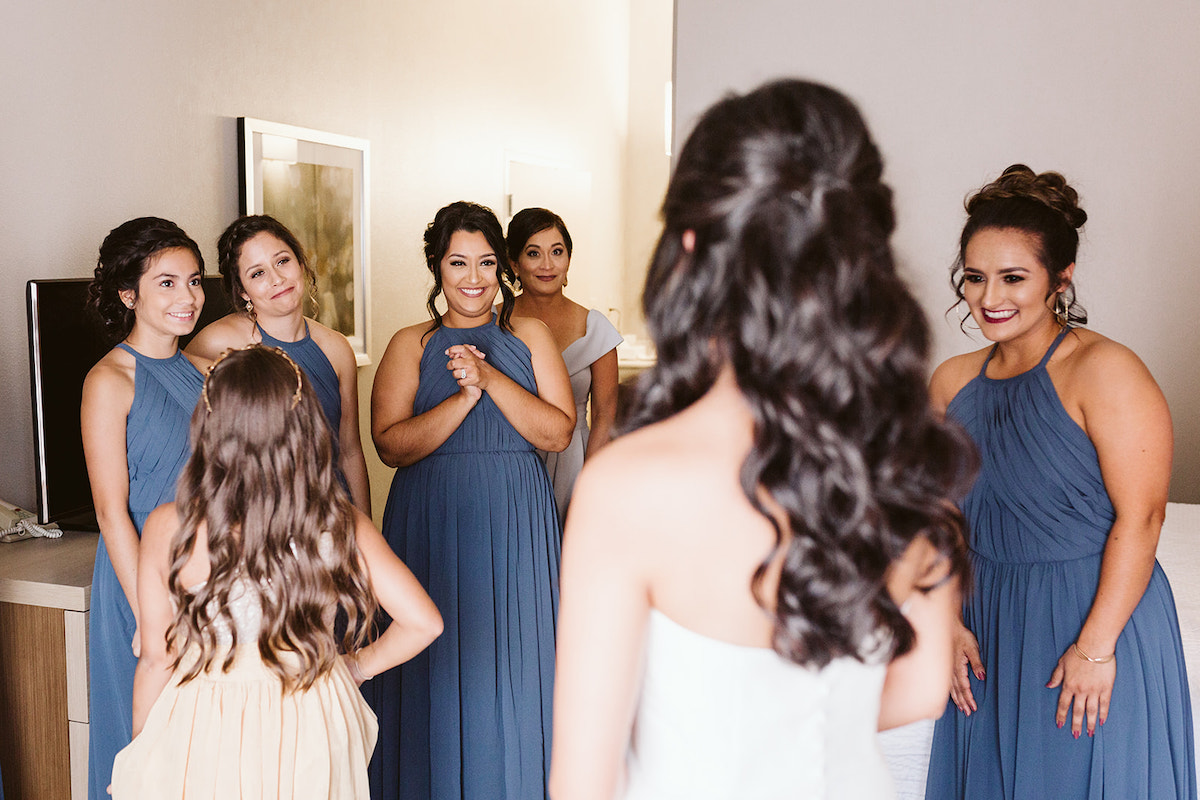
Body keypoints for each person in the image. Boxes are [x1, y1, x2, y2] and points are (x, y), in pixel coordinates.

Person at [550, 79, 977, 799]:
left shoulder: (628, 485)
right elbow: (924, 687)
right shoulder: (908, 456)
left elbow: (581, 783)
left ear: (691, 243)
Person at [924, 165, 1194, 799]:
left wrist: (1096, 649)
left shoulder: (1106, 371)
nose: (990, 296)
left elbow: (1144, 518)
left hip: (1091, 615)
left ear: (1060, 279)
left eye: (1014, 277)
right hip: (985, 619)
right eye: (975, 276)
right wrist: (946, 619)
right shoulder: (950, 381)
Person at [109, 345, 442, 798]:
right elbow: (424, 622)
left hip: (207, 717)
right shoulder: (338, 521)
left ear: (211, 426)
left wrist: (141, 753)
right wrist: (358, 666)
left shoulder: (170, 526)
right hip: (312, 710)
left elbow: (155, 658)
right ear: (302, 426)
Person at [370, 201, 574, 799]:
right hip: (431, 519)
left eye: (486, 262)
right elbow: (390, 445)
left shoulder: (529, 333)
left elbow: (557, 432)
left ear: (502, 267)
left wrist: (488, 381)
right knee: (439, 666)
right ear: (437, 266)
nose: (474, 278)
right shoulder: (410, 343)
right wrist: (460, 403)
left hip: (517, 520)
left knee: (514, 665)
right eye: (458, 262)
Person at [81, 217, 210, 799]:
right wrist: (152, 621)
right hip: (140, 579)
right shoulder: (109, 379)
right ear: (128, 295)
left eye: (195, 280)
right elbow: (110, 512)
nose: (187, 297)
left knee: (204, 755)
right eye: (167, 283)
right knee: (144, 755)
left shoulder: (204, 372)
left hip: (207, 576)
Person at [186, 215, 371, 512]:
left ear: (300, 263)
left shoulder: (336, 348)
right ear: (243, 291)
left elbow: (349, 451)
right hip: (261, 515)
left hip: (332, 509)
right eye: (257, 274)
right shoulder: (215, 344)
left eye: (282, 261)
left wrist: (365, 535)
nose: (277, 279)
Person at [507, 208, 622, 525]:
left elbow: (604, 417)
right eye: (534, 253)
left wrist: (590, 484)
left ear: (568, 260)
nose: (547, 265)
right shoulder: (493, 323)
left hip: (574, 463)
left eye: (557, 252)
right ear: (514, 263)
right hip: (509, 462)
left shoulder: (595, 328)